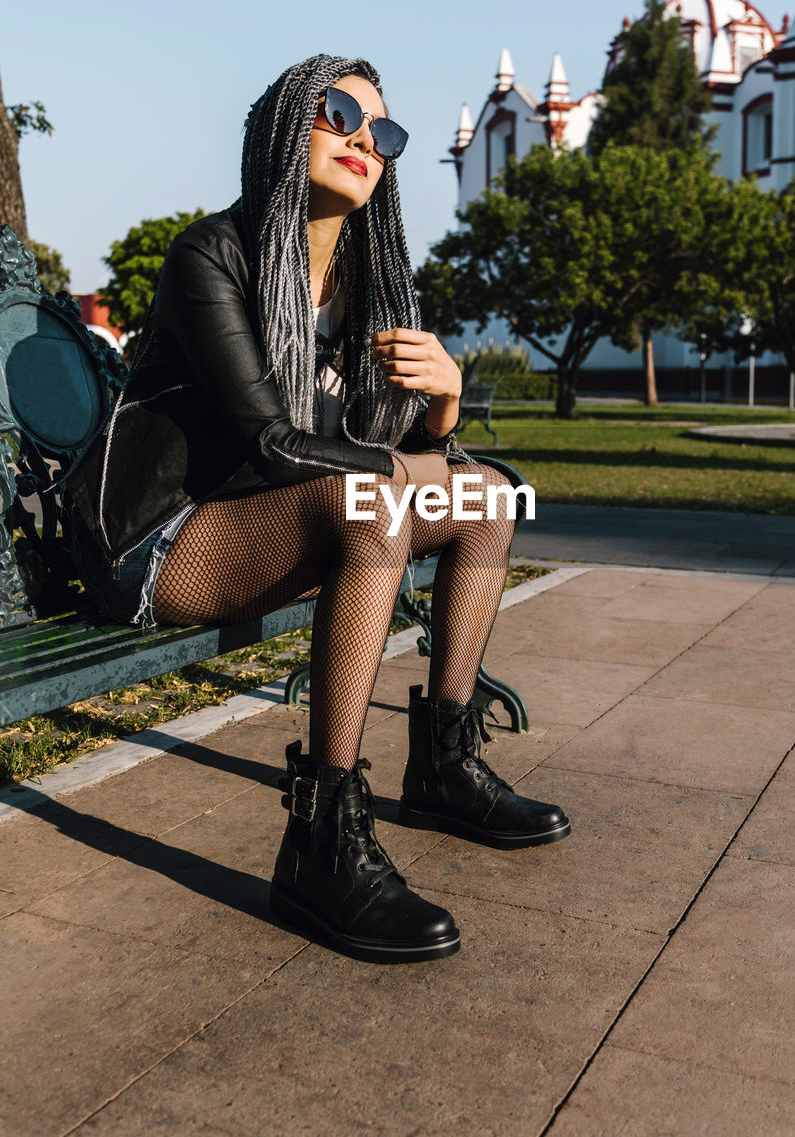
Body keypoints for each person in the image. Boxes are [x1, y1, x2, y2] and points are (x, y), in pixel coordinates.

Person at [65, 54, 570, 965]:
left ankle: (445, 765)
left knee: (486, 497)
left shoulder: (367, 290)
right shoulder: (210, 255)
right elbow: (269, 441)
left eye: (384, 132)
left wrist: (447, 408)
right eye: (339, 113)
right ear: (284, 128)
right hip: (167, 534)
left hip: (277, 522)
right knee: (378, 504)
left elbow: (404, 454)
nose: (363, 140)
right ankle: (322, 839)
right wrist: (403, 466)